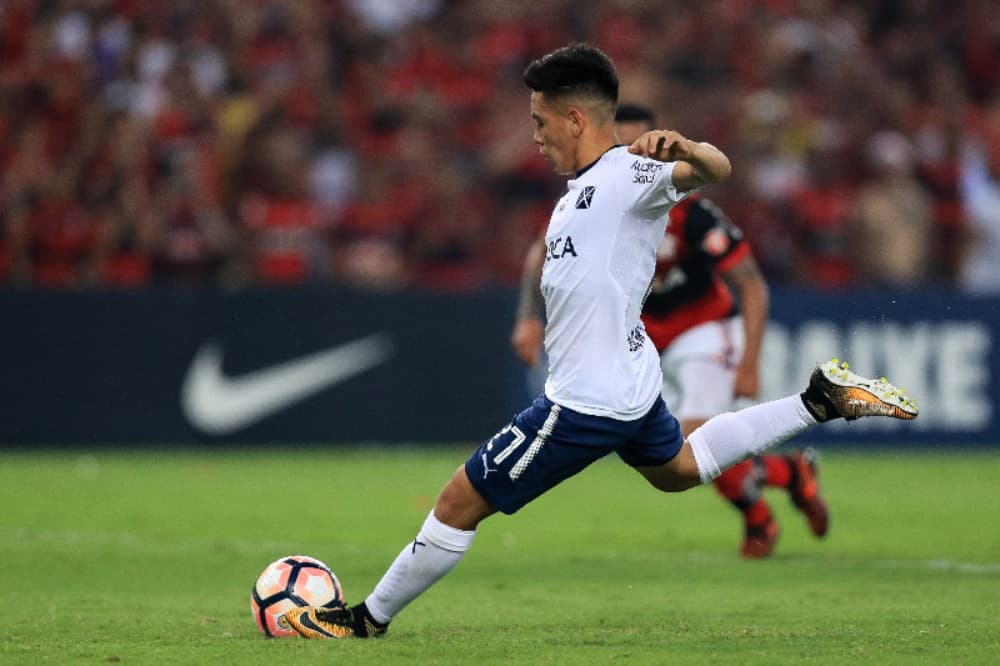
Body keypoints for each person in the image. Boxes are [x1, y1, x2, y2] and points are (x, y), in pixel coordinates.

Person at [283, 43, 918, 639]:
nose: (533, 136)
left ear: (576, 118)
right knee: (680, 470)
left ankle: (365, 621)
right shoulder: (579, 192)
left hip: (589, 400)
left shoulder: (628, 176)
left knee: (459, 499)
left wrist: (690, 149)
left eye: (540, 121)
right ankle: (821, 399)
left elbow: (716, 170)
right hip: (629, 383)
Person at [511, 103, 826, 558]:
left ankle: (759, 518)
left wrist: (750, 362)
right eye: (624, 148)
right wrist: (526, 315)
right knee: (666, 453)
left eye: (646, 147)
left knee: (691, 439)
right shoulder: (599, 200)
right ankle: (789, 475)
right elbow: (541, 251)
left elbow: (751, 284)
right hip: (643, 340)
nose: (636, 159)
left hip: (703, 330)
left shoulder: (693, 214)